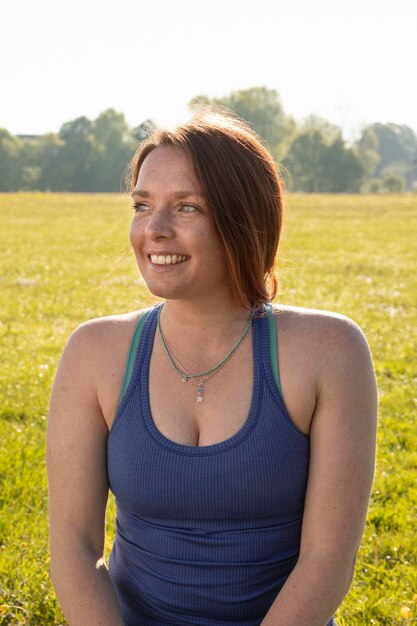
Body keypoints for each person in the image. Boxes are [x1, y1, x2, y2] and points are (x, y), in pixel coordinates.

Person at [47, 111, 377, 626]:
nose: (154, 230)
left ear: (245, 218)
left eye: (187, 207)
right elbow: (75, 544)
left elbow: (327, 558)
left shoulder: (330, 350)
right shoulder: (94, 352)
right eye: (141, 205)